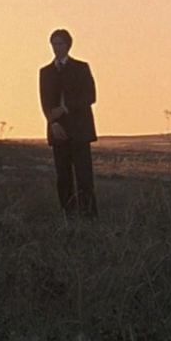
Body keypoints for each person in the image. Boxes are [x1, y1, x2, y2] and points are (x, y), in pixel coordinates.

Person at [39, 28, 98, 219]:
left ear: (68, 45)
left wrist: (66, 108)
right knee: (63, 177)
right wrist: (53, 123)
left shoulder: (81, 68)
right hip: (58, 132)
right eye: (54, 44)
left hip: (80, 130)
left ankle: (88, 216)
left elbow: (90, 96)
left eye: (60, 44)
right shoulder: (46, 72)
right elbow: (45, 101)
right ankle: (68, 215)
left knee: (84, 177)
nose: (56, 48)